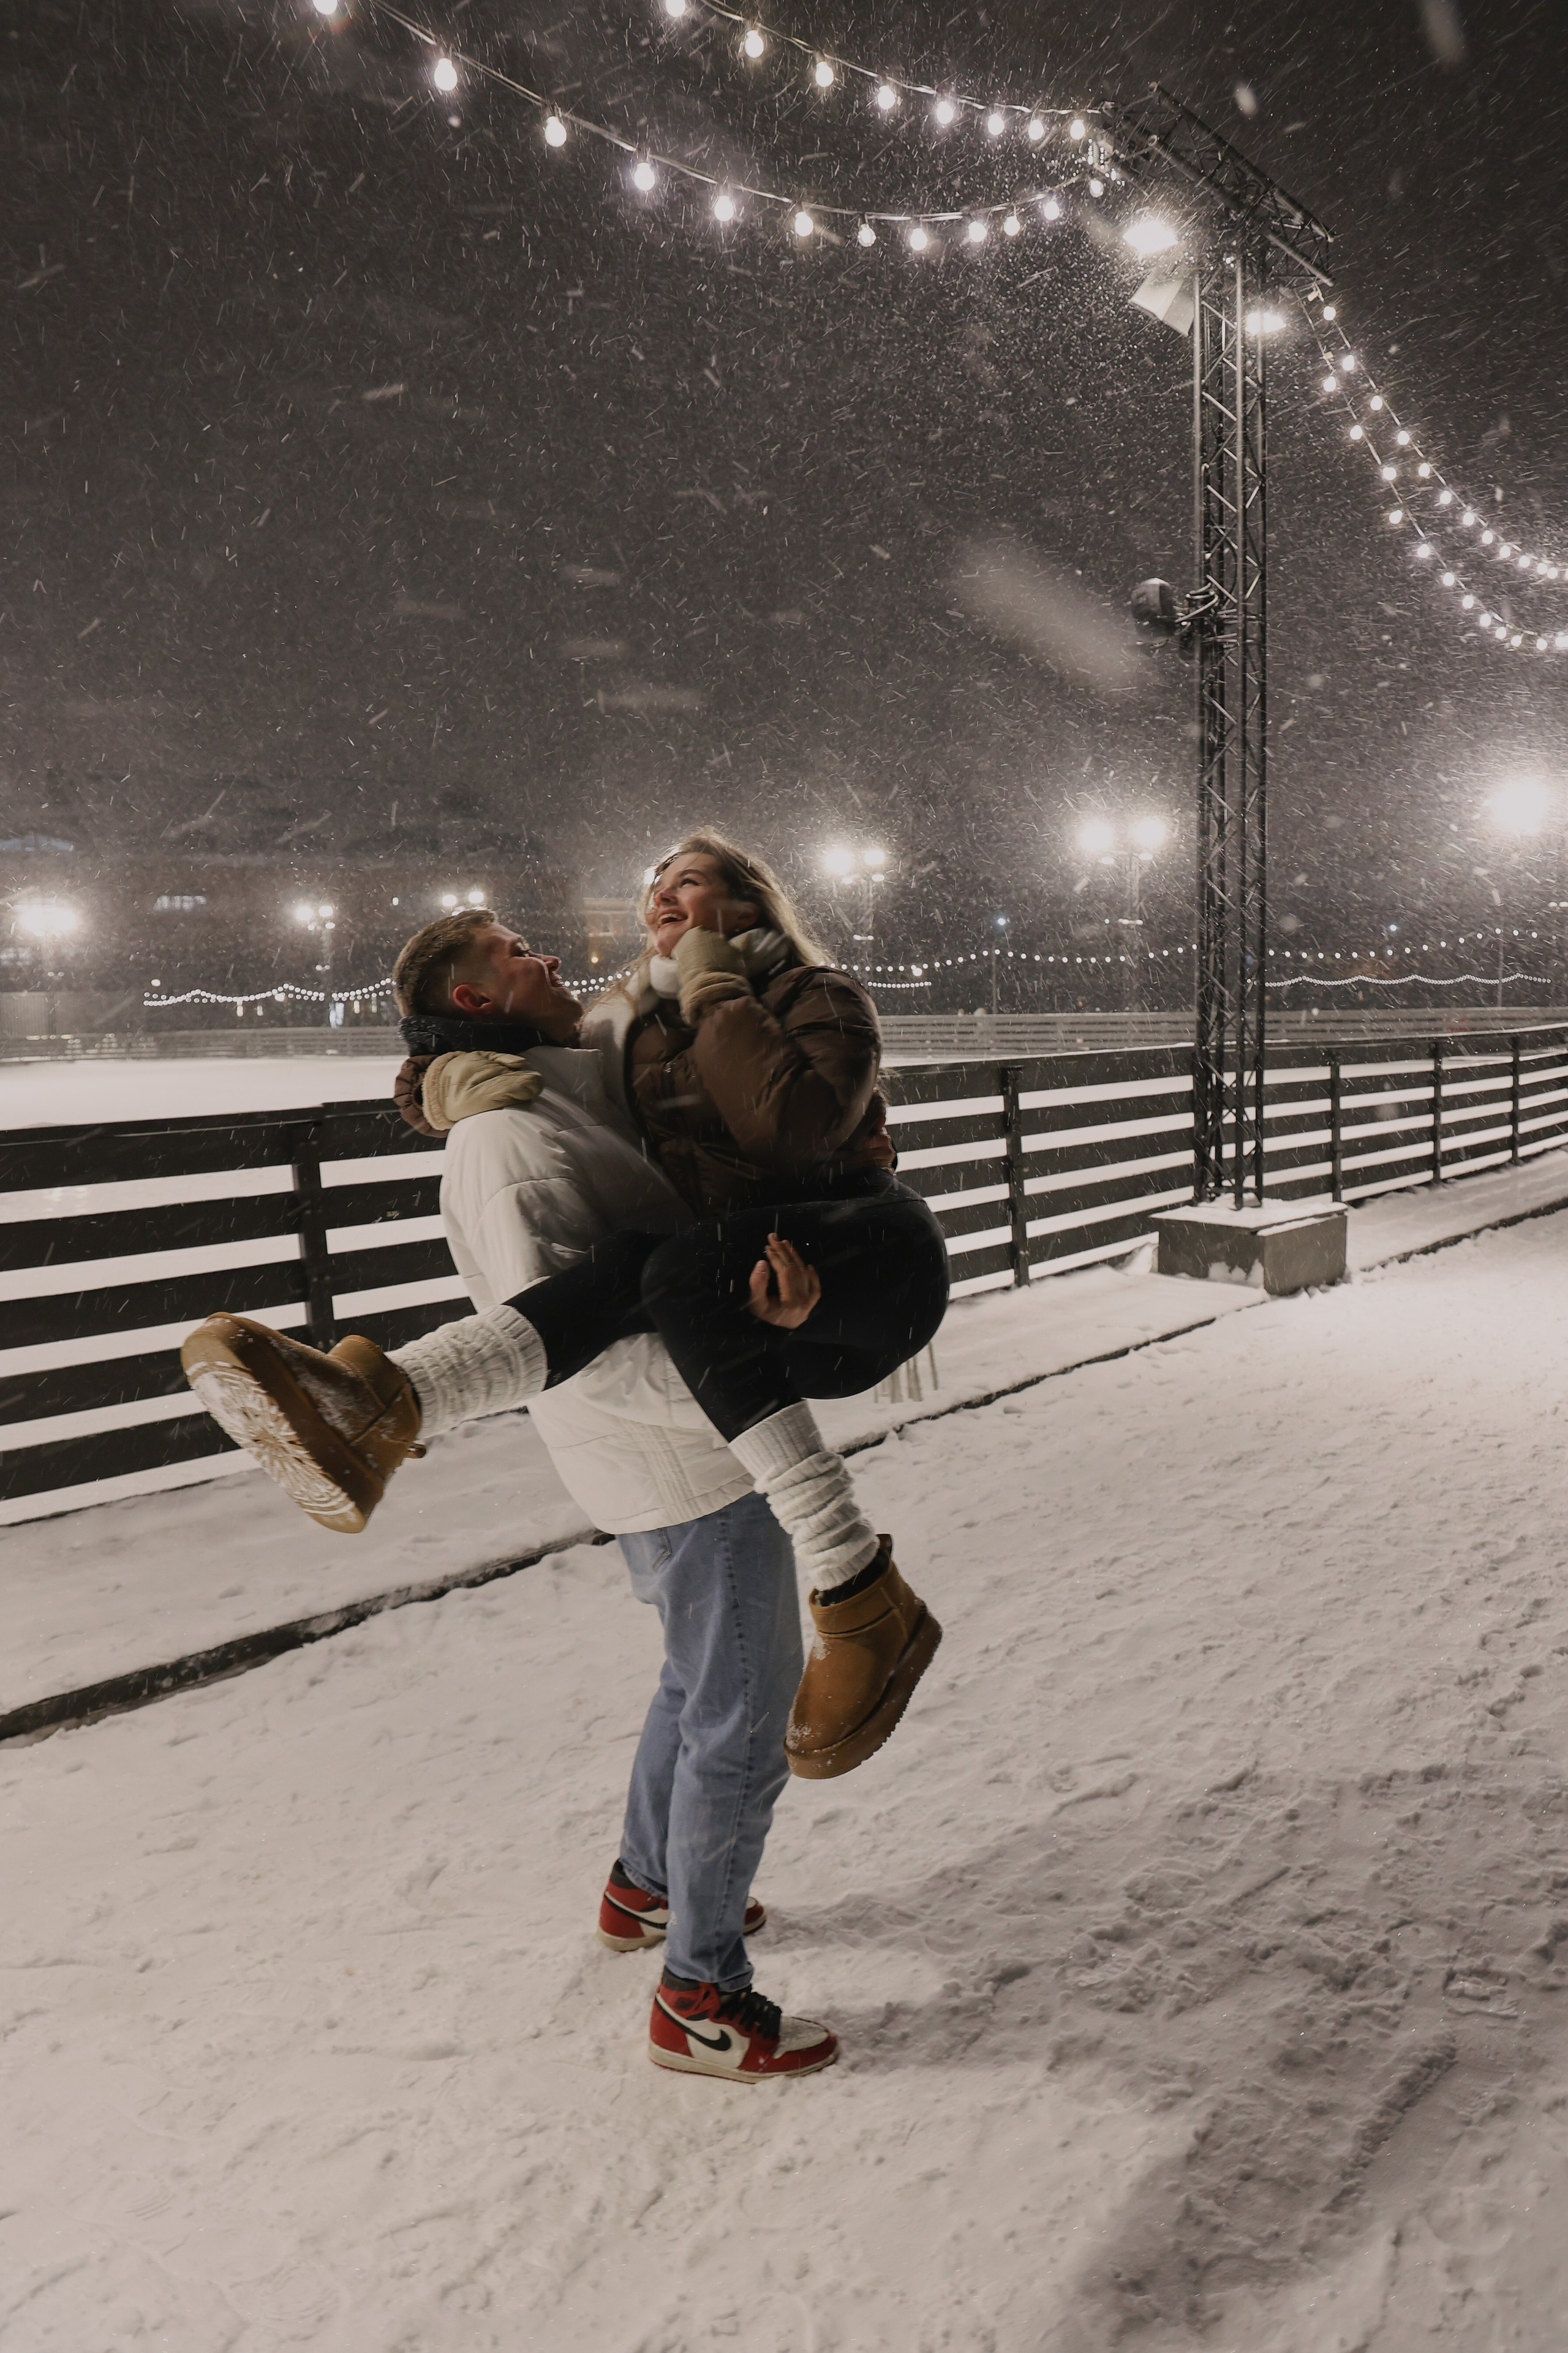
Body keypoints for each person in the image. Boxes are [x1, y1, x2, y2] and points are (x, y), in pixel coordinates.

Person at [183, 833, 949, 1783]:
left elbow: (787, 1131)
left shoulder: (813, 992)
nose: (661, 897)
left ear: (747, 907)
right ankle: (379, 1404)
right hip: (762, 1289)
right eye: (655, 885)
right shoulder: (637, 1018)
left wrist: (714, 984)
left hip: (873, 1256)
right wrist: (440, 1077)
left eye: (690, 883)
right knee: (646, 1263)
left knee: (662, 1274)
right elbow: (539, 1055)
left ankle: (857, 1579)